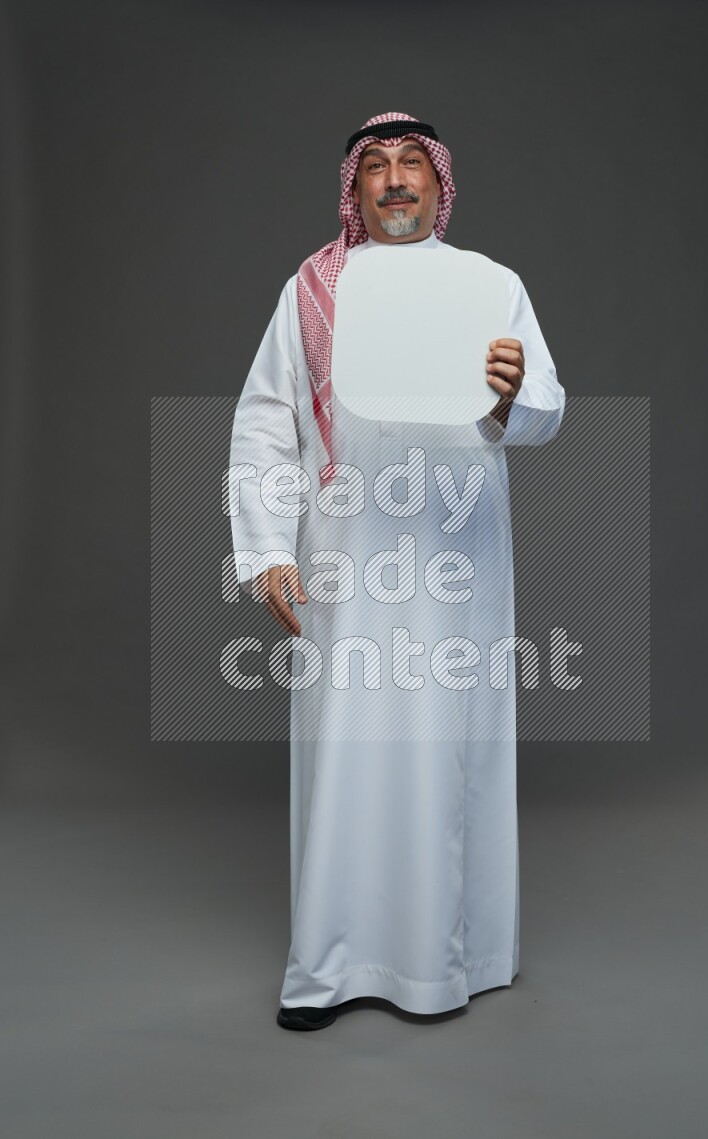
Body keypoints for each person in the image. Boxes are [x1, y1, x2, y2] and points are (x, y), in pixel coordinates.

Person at [228, 112, 566, 1031]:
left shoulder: (490, 285)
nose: (395, 180)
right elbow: (267, 420)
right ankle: (329, 966)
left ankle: (447, 961)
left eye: (411, 163)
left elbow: (547, 402)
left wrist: (511, 395)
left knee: (450, 747)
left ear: (438, 182)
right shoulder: (311, 291)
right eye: (375, 167)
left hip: (458, 554)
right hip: (347, 553)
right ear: (355, 190)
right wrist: (266, 551)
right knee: (347, 751)